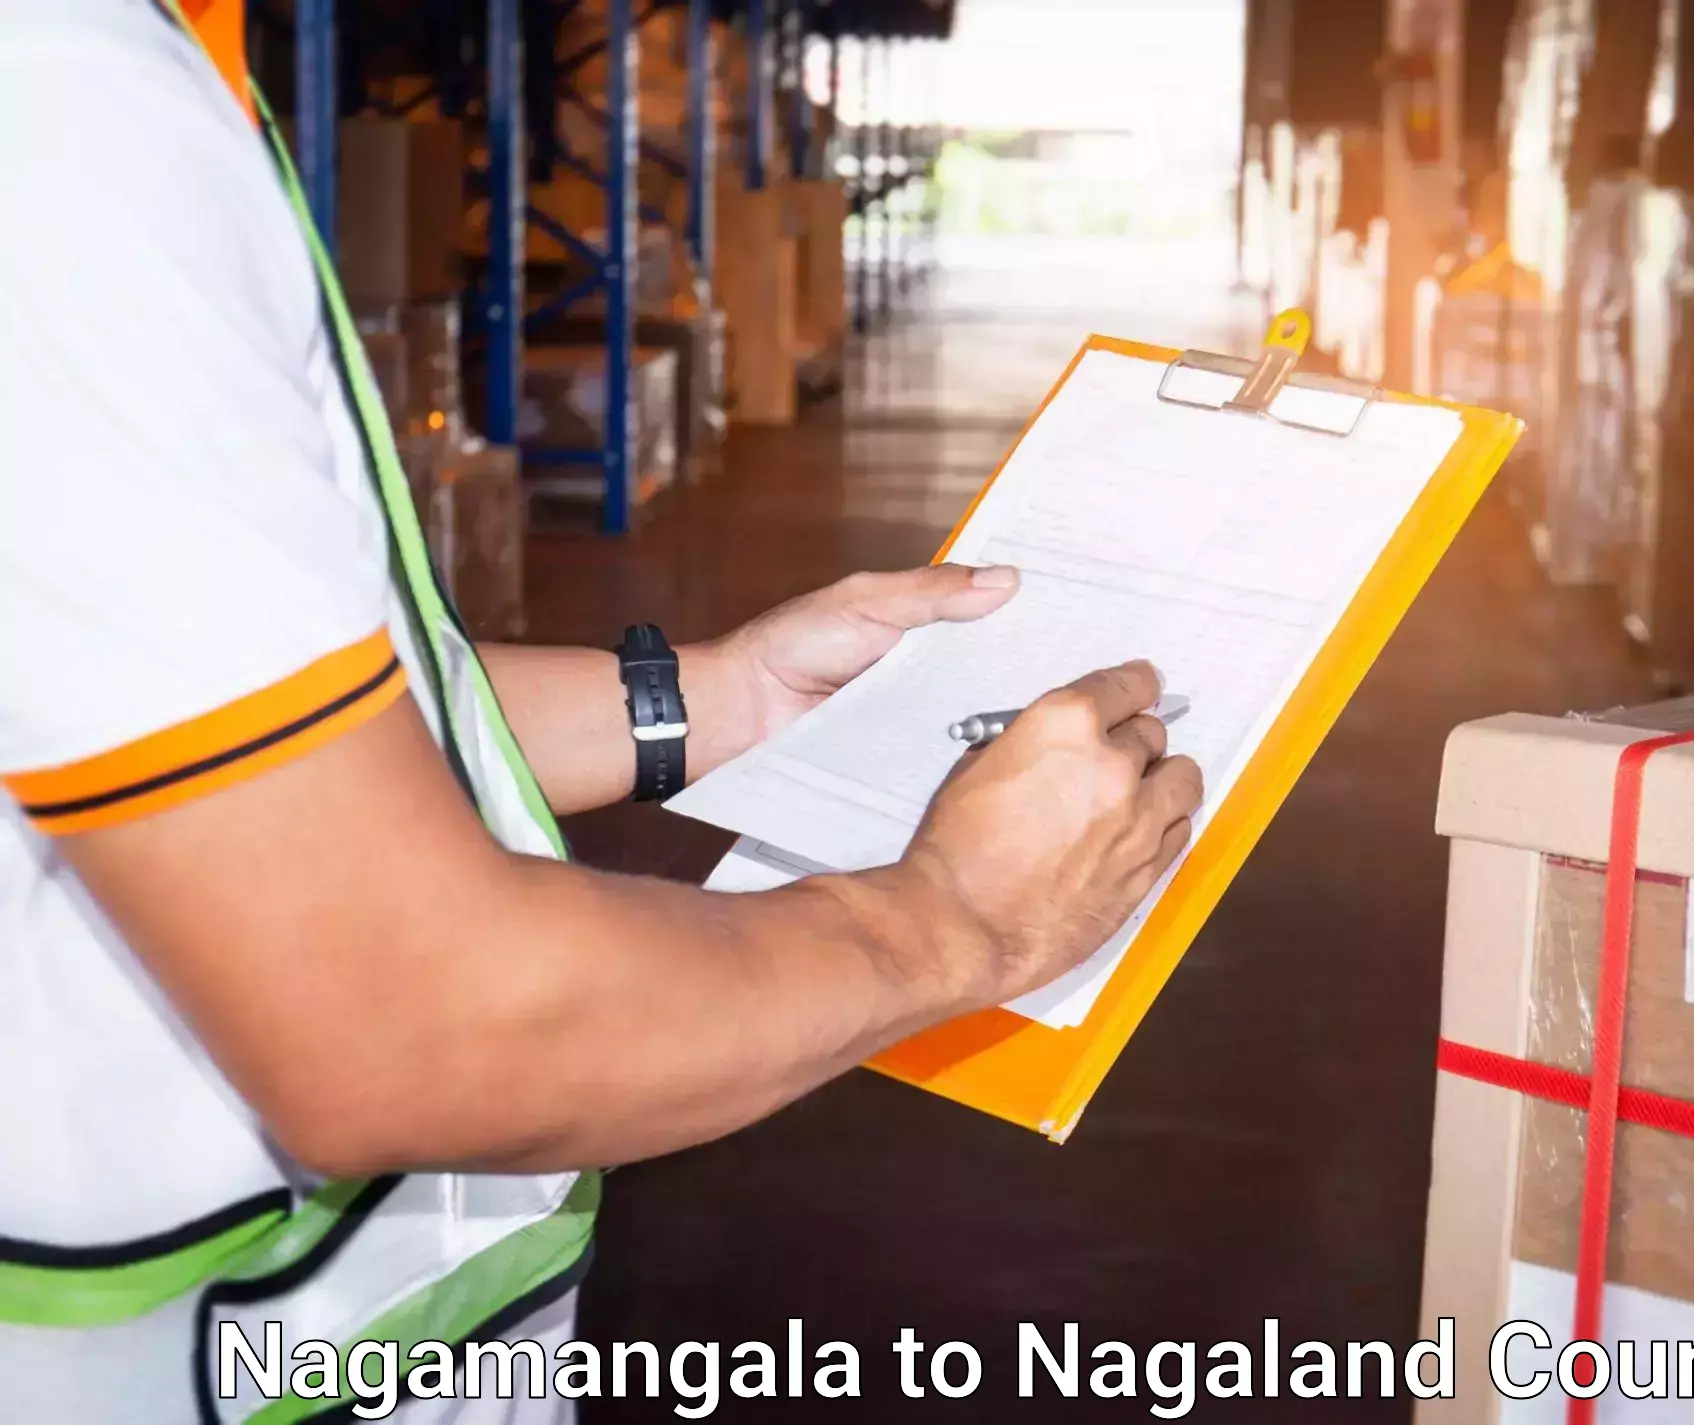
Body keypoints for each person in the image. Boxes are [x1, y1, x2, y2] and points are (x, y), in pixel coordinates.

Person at [0, 1, 1203, 1419]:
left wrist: (728, 697)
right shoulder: (62, 111)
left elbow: (205, 719)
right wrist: (954, 921)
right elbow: (411, 1024)